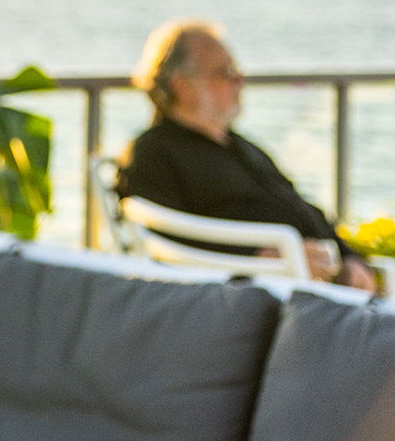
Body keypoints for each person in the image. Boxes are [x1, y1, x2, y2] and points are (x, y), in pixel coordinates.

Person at [116, 19, 374, 291]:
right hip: (257, 299)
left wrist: (351, 259)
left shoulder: (242, 147)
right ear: (183, 85)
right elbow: (163, 241)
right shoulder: (153, 153)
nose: (240, 80)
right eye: (225, 72)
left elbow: (298, 207)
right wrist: (261, 259)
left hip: (313, 287)